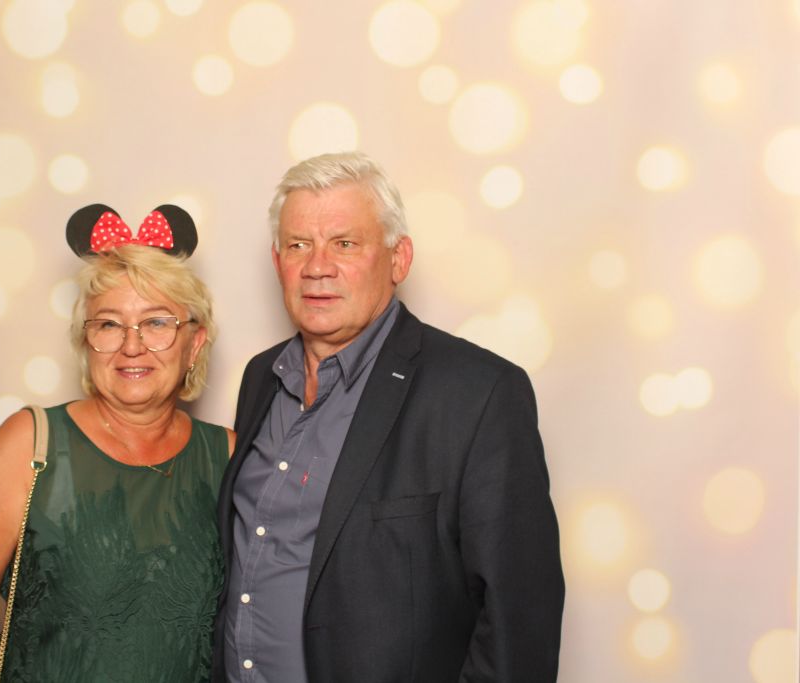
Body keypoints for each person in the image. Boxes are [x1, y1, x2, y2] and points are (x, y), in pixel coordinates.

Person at [213, 153, 564, 682]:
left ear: (399, 259)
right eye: (298, 245)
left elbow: (520, 623)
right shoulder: (262, 377)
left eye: (345, 244)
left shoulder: (478, 393)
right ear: (276, 259)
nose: (317, 266)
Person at [0, 203, 233, 682]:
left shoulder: (231, 458)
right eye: (109, 324)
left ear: (194, 344)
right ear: (84, 340)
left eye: (157, 323)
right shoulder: (30, 446)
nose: (131, 346)